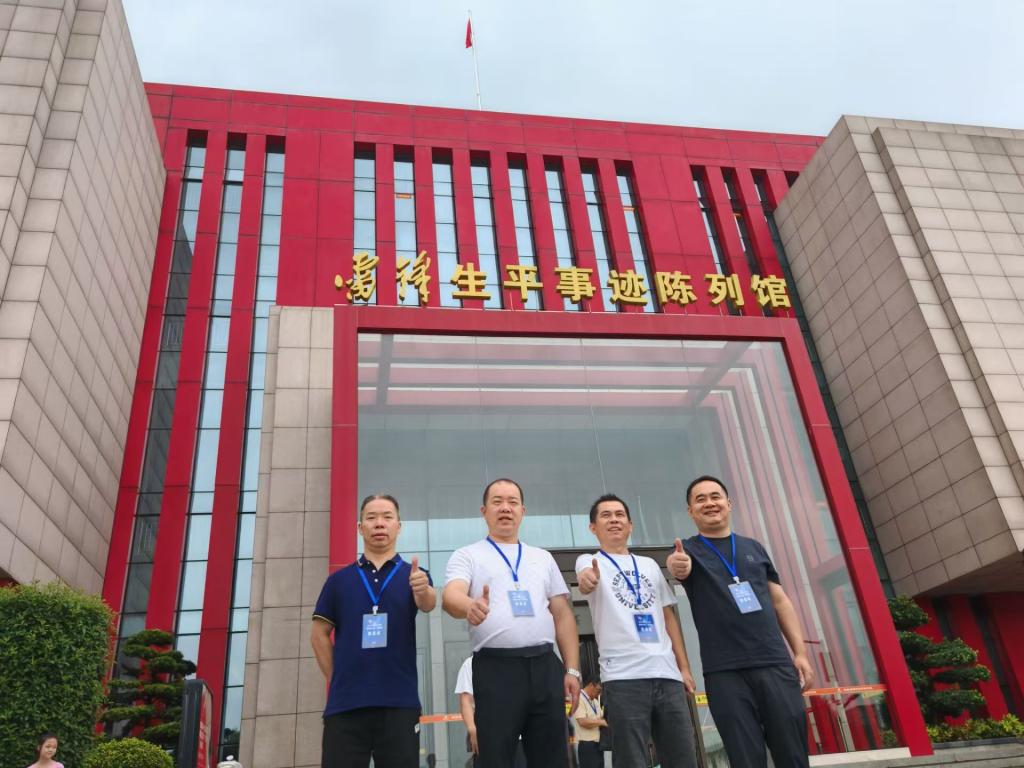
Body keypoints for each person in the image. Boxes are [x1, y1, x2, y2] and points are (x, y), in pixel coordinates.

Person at [666, 475, 815, 768]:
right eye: (700, 499)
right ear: (690, 511)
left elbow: (780, 601)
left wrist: (799, 653)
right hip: (725, 672)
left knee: (793, 755)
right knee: (745, 758)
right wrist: (677, 565)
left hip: (774, 663)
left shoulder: (754, 548)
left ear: (729, 503)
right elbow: (678, 567)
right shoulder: (689, 551)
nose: (709, 503)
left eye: (715, 496)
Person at [442, 478, 581, 768]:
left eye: (512, 502)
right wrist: (469, 605)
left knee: (553, 758)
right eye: (497, 502)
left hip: (545, 666)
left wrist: (571, 669)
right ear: (484, 511)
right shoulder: (467, 555)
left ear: (522, 511)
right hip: (496, 670)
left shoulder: (542, 557)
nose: (505, 508)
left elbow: (562, 614)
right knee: (496, 757)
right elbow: (451, 595)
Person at [311, 493, 437, 768]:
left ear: (398, 526)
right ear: (360, 527)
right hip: (345, 705)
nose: (379, 523)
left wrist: (423, 589)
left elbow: (428, 603)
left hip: (399, 703)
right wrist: (338, 677)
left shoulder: (415, 575)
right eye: (371, 518)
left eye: (387, 517)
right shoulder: (338, 581)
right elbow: (318, 634)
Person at [576, 494, 698, 768]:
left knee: (683, 757)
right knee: (631, 759)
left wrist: (684, 668)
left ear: (630, 525)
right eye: (606, 515)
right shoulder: (590, 560)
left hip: (667, 675)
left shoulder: (649, 565)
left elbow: (668, 617)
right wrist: (587, 579)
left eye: (620, 515)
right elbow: (584, 578)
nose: (614, 520)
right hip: (623, 678)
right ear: (593, 527)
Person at [455, 656, 527, 768]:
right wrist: (472, 729)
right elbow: (466, 701)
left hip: (519, 740)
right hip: (486, 739)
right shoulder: (471, 664)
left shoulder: (519, 660)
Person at [573, 679, 606, 768]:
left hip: (598, 744)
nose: (599, 694)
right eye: (598, 690)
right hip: (587, 745)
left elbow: (601, 717)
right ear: (591, 685)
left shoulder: (595, 701)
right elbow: (582, 721)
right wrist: (602, 722)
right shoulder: (579, 698)